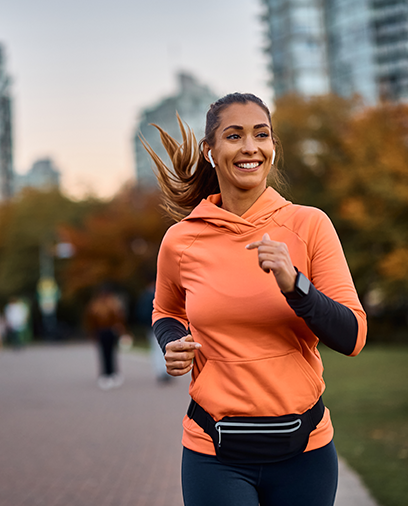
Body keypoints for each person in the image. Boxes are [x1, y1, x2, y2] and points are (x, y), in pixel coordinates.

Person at [142, 93, 367, 506]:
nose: (250, 147)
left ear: (272, 147)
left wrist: (295, 284)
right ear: (210, 152)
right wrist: (172, 342)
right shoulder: (181, 240)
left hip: (305, 452)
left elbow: (352, 336)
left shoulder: (309, 225)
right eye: (234, 135)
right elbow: (166, 310)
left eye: (261, 135)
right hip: (214, 452)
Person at [85, 286, 126, 390]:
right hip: (106, 331)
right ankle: (109, 373)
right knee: (108, 353)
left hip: (104, 331)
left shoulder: (96, 305)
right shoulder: (111, 304)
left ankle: (108, 373)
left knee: (106, 353)